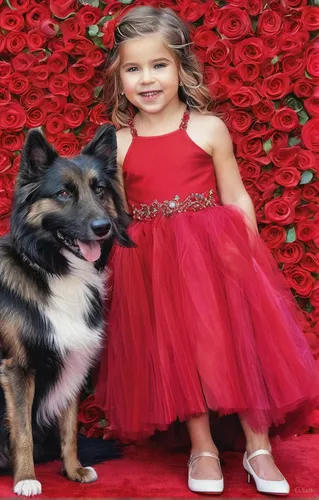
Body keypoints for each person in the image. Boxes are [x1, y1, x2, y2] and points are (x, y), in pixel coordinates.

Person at [94, 5, 319, 496]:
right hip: (153, 265)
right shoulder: (117, 142)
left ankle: (259, 447)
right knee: (180, 354)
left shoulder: (209, 129)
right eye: (133, 69)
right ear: (119, 77)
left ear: (181, 68)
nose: (147, 79)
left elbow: (236, 196)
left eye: (158, 65)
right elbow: (123, 213)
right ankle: (203, 448)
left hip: (217, 258)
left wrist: (250, 259)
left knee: (236, 345)